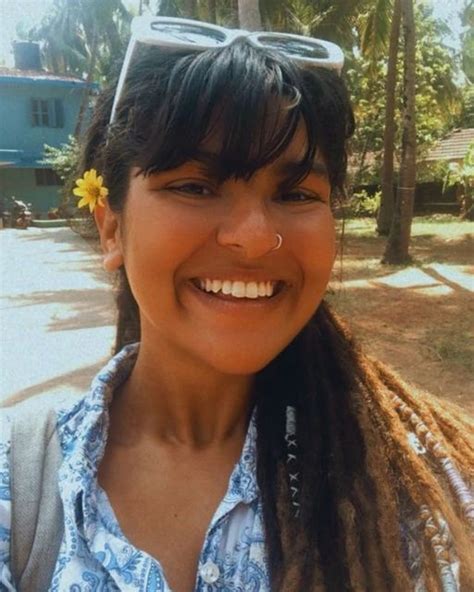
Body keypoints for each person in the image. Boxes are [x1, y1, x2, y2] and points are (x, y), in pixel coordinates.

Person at [1, 16, 473, 592]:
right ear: (111, 229)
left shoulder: (417, 482)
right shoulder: (17, 484)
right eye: (195, 186)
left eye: (296, 192)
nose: (253, 238)